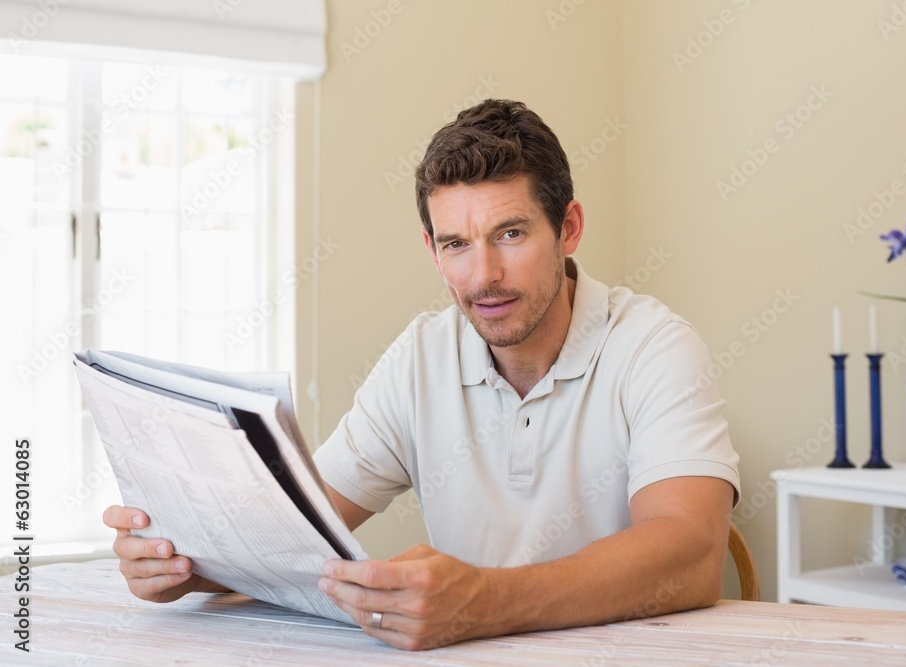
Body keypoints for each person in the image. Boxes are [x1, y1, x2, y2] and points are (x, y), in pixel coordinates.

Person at [104, 99, 741, 651]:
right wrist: (189, 565)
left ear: (568, 228)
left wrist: (488, 601)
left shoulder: (655, 346)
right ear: (432, 249)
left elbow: (690, 553)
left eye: (510, 233)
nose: (482, 276)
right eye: (456, 244)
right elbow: (297, 530)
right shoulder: (420, 358)